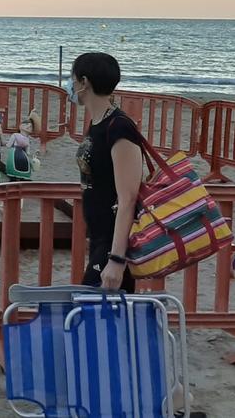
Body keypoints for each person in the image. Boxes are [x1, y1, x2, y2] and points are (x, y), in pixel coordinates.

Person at [69, 52, 141, 293]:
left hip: (114, 243)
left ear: (84, 82)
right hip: (100, 237)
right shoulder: (98, 122)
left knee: (96, 317)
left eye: (73, 78)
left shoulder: (119, 127)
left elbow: (128, 197)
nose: (71, 84)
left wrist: (117, 259)